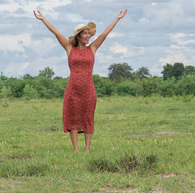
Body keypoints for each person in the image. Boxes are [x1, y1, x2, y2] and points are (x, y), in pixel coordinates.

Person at [34, 9, 127, 152]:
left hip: (89, 89)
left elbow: (105, 34)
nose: (88, 36)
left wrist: (117, 19)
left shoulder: (93, 48)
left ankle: (87, 149)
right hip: (73, 89)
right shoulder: (69, 48)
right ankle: (76, 149)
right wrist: (43, 19)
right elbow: (56, 33)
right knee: (73, 118)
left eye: (89, 33)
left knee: (88, 117)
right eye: (85, 33)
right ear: (78, 36)